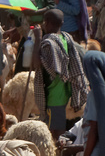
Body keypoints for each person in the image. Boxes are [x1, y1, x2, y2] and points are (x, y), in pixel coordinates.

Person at [33, 9, 89, 140]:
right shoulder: (65, 38)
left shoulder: (48, 43)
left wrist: (37, 39)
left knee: (55, 132)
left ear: (46, 23)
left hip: (54, 96)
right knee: (59, 127)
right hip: (64, 92)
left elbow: (36, 64)